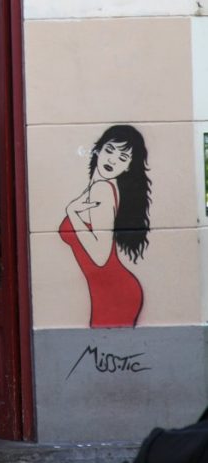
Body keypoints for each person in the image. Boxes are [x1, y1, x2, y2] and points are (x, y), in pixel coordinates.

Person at [58, 124, 151, 328]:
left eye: (123, 158)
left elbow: (100, 256)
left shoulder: (102, 191)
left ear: (128, 166)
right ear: (98, 149)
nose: (112, 160)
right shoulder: (95, 190)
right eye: (110, 150)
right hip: (108, 289)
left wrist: (72, 213)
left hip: (113, 292)